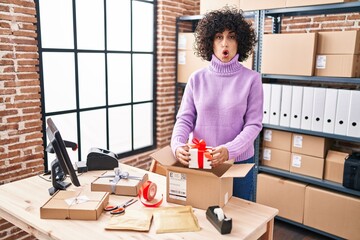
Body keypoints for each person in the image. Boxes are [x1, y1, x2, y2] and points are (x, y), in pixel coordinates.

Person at [170, 7, 263, 201]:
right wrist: (177, 145)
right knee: (203, 216)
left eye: (231, 37)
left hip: (238, 164)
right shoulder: (196, 78)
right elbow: (185, 119)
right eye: (219, 37)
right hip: (201, 160)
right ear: (210, 42)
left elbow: (254, 125)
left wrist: (230, 150)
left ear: (240, 42)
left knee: (242, 220)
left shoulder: (252, 79)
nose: (225, 43)